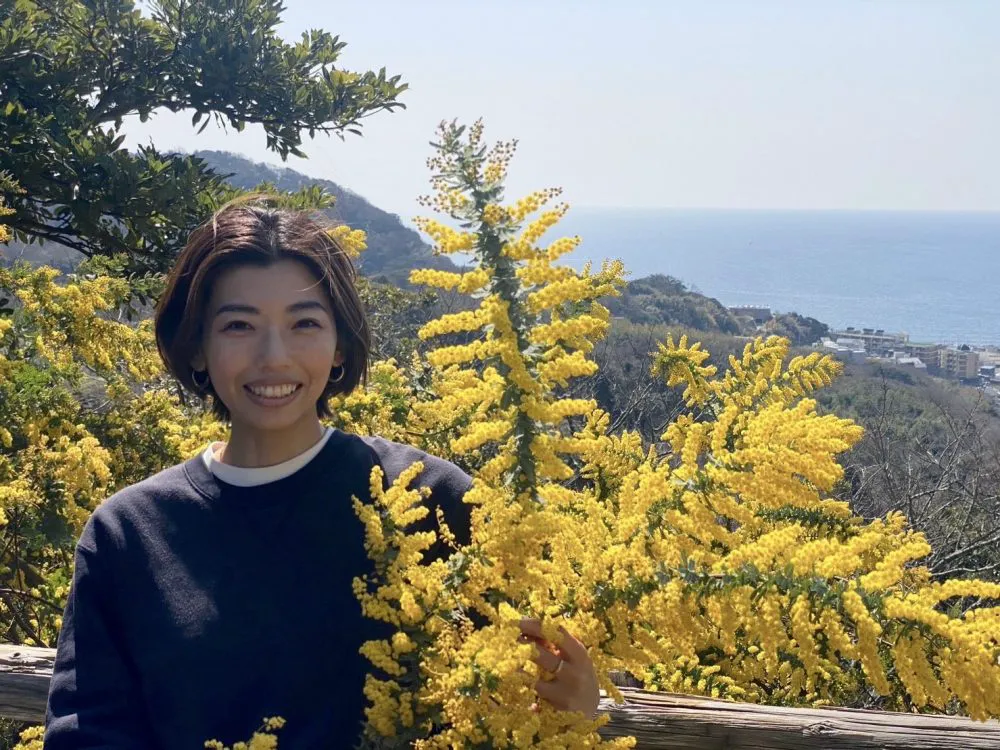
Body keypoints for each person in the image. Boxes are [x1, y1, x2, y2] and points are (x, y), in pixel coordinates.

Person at [44, 199, 600, 748]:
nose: (274, 356)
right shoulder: (129, 534)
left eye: (304, 323)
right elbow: (87, 733)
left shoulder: (434, 499)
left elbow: (513, 694)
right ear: (196, 350)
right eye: (238, 326)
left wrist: (570, 709)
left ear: (339, 347)